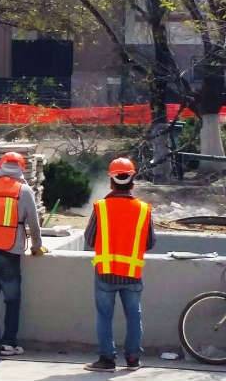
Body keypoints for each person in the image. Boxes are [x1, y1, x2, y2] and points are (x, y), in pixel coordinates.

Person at [84, 158, 155, 372]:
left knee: (104, 316)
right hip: (132, 274)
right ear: (132, 179)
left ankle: (107, 360)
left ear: (111, 181)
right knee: (134, 316)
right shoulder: (143, 209)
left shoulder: (101, 208)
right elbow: (150, 242)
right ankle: (133, 359)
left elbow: (89, 239)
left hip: (105, 273)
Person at [0, 151, 46, 357]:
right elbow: (33, 223)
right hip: (10, 251)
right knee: (12, 299)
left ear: (1, 166)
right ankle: (9, 343)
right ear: (21, 168)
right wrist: (37, 246)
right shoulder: (23, 190)